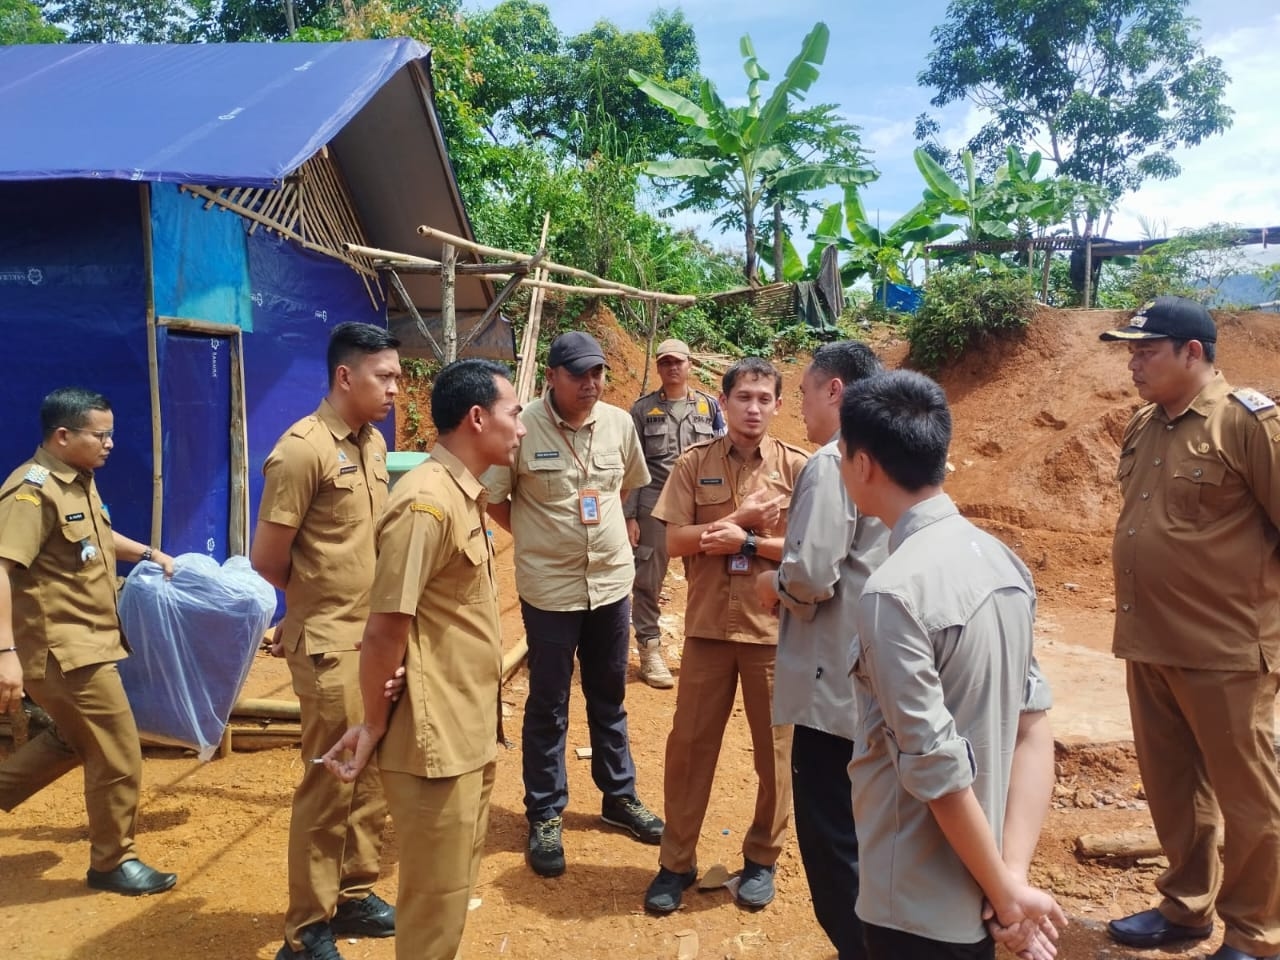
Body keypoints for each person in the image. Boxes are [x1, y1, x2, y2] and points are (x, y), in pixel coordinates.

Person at [837, 370, 1065, 960]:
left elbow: (936, 770)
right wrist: (1009, 877)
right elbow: (1033, 726)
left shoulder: (893, 592)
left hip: (915, 897)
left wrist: (1008, 897)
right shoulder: (1001, 560)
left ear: (862, 464)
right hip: (982, 886)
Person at [323, 358, 526, 960]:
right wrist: (373, 723)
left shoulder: (463, 495)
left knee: (452, 888)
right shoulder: (426, 504)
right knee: (435, 900)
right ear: (477, 417)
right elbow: (386, 627)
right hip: (435, 737)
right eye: (514, 413)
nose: (521, 426)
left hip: (466, 726)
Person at [1098, 297, 1280, 960]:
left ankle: (1257, 934)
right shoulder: (1144, 424)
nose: (1133, 362)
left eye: (1146, 351)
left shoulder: (1247, 424)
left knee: (1250, 799)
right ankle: (1186, 907)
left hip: (1227, 649)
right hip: (1150, 641)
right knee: (1174, 788)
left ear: (1192, 352)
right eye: (1131, 351)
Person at [484, 330, 663, 878]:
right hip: (550, 591)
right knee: (549, 702)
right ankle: (544, 812)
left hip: (610, 583)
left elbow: (625, 487)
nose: (591, 383)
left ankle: (618, 797)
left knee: (609, 695)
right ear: (552, 377)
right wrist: (539, 537)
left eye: (598, 373)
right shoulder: (522, 426)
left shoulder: (619, 423)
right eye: (579, 374)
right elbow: (495, 498)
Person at [251, 322, 402, 960]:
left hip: (374, 639)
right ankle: (307, 929)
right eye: (384, 377)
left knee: (371, 769)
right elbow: (267, 558)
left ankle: (356, 891)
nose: (396, 389)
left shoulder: (373, 443)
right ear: (346, 376)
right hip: (330, 643)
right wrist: (313, 602)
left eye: (397, 377)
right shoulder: (301, 450)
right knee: (332, 780)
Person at [643, 357, 809, 914]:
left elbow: (811, 552)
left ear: (778, 405)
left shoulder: (798, 469)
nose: (753, 409)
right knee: (689, 749)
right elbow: (674, 542)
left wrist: (746, 543)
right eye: (743, 397)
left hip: (773, 633)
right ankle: (676, 861)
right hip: (708, 628)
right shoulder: (694, 463)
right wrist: (739, 518)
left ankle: (762, 857)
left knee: (775, 754)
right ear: (724, 402)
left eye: (764, 399)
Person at [0, 387, 178, 896]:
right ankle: (113, 862)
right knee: (118, 752)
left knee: (72, 739)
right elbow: (1, 568)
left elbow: (96, 539)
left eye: (110, 434)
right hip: (63, 651)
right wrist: (5, 653)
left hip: (89, 643)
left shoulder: (77, 482)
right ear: (62, 436)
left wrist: (150, 554)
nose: (109, 443)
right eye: (100, 435)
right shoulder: (31, 492)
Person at [753, 341, 888, 958]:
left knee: (832, 835)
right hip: (876, 672)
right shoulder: (890, 455)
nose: (799, 407)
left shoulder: (833, 463)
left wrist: (772, 585)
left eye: (804, 392)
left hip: (830, 682)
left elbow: (811, 575)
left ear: (835, 390)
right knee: (870, 828)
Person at [624, 338, 725, 688]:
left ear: (689, 365)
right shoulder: (642, 410)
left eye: (678, 362)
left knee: (705, 576)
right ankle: (650, 650)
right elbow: (633, 466)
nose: (672, 368)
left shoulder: (709, 407)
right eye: (665, 362)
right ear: (658, 367)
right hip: (655, 501)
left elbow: (723, 454)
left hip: (699, 502)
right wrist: (630, 515)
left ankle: (703, 650)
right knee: (648, 578)